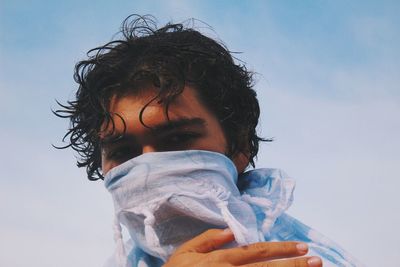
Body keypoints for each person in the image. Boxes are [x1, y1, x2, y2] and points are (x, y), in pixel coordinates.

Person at [56, 15, 362, 267]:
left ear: (239, 146)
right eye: (123, 152)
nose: (147, 165)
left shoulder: (306, 260)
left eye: (177, 139)